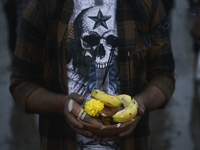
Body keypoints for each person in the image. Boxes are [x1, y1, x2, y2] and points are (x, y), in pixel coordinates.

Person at [9, 0, 175, 149]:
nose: (102, 51)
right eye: (90, 41)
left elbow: (164, 75)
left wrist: (138, 104)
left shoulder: (146, 5)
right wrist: (63, 104)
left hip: (133, 142)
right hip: (61, 140)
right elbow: (22, 83)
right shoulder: (44, 6)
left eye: (111, 41)